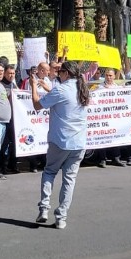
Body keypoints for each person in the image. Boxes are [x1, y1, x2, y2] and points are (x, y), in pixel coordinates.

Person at [32, 60, 89, 230]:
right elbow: (61, 99)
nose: (58, 75)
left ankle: (44, 208)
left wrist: (33, 86)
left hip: (60, 140)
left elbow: (37, 105)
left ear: (66, 73)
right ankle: (61, 217)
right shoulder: (82, 89)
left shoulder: (62, 89)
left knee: (49, 171)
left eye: (60, 72)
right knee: (69, 180)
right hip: (78, 142)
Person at [97, 69, 125, 167]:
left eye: (110, 76)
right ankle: (102, 159)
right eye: (107, 75)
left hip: (114, 118)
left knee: (116, 137)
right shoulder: (100, 87)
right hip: (103, 118)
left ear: (114, 76)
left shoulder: (117, 87)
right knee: (103, 138)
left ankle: (116, 158)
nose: (109, 77)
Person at [0, 64, 19, 174]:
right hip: (4, 119)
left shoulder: (14, 86)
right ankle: (2, 166)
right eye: (9, 73)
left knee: (14, 143)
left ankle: (13, 165)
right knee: (4, 143)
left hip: (14, 119)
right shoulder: (1, 85)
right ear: (5, 73)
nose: (11, 75)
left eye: (13, 73)